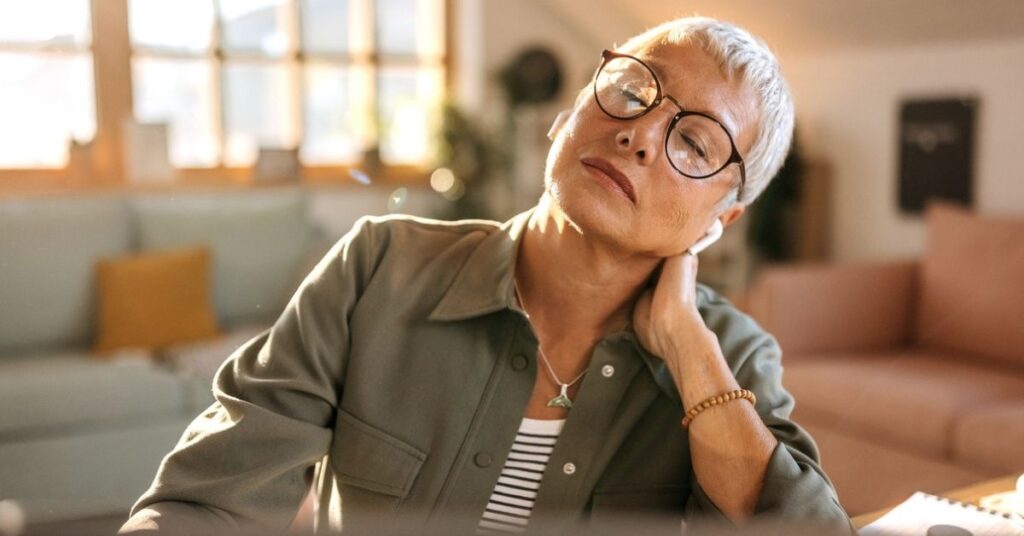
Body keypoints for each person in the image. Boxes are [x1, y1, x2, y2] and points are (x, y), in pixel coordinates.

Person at [120, 16, 854, 536]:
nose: (637, 134)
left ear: (716, 222)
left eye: (693, 140)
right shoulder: (377, 269)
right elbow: (206, 502)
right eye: (632, 92)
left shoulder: (730, 356)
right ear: (569, 115)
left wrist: (688, 349)